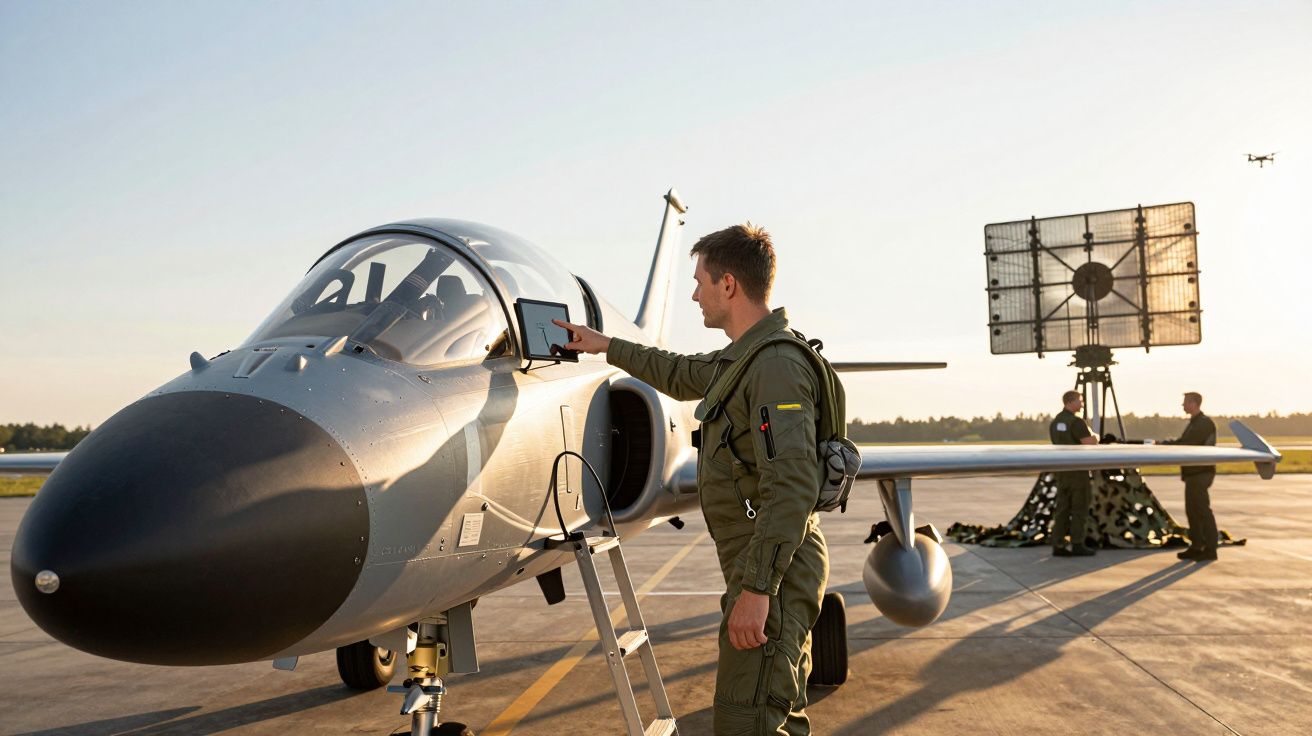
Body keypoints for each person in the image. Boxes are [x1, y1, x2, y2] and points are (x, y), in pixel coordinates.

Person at [555, 223, 827, 735]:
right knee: (767, 716)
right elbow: (678, 372)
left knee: (750, 723)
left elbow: (792, 486)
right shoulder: (743, 358)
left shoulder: (774, 368)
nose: (694, 293)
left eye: (700, 280)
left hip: (773, 574)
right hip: (762, 569)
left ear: (729, 285)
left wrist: (757, 591)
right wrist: (604, 345)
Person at [1162, 392, 1218, 561]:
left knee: (1202, 510)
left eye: (1185, 402)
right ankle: (1196, 546)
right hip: (1193, 473)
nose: (1183, 405)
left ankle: (1210, 548)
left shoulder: (1203, 424)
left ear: (1194, 403)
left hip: (1201, 473)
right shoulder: (1196, 423)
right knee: (1192, 511)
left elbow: (1187, 444)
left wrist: (1166, 445)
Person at [1049, 390, 1098, 557]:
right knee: (1079, 508)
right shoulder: (1076, 422)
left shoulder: (1056, 422)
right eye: (1080, 401)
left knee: (1062, 508)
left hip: (1062, 470)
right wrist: (1095, 436)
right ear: (1070, 402)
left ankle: (1058, 543)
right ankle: (1077, 543)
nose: (1082, 404)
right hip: (1078, 471)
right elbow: (1089, 443)